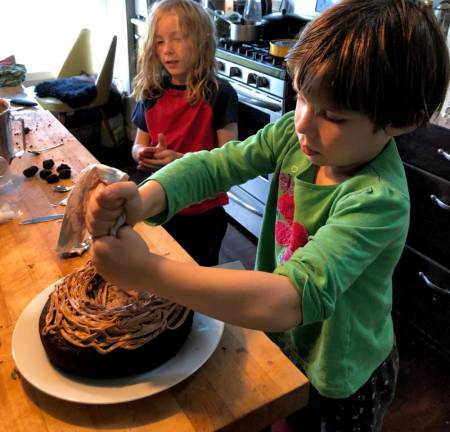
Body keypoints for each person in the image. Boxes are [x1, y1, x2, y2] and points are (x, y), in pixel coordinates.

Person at [86, 0, 450, 430]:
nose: (303, 124)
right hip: (285, 341)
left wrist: (147, 272)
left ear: (400, 121)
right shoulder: (296, 137)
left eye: (332, 115)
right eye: (300, 97)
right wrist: (145, 199)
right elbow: (216, 163)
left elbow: (290, 297)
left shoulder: (378, 200)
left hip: (342, 375)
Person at [129, 0, 238, 266]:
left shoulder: (218, 95)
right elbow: (136, 146)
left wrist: (180, 161)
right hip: (160, 206)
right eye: (159, 42)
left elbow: (229, 163)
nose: (168, 50)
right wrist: (143, 153)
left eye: (176, 39)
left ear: (201, 40)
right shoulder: (151, 92)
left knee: (199, 282)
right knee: (164, 282)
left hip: (203, 212)